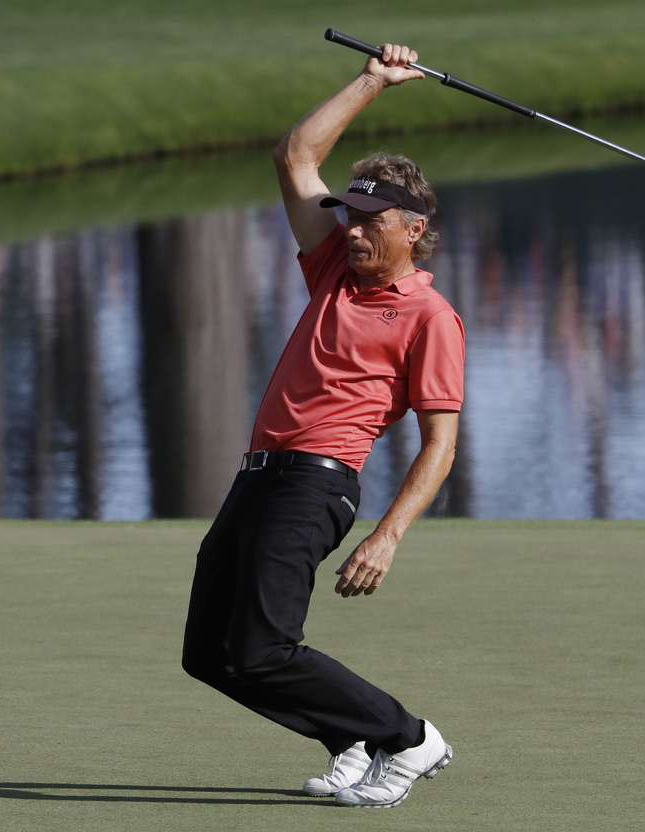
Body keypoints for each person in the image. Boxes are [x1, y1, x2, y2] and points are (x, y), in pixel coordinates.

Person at [181, 43, 464, 809]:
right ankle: (351, 741)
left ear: (413, 228)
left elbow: (440, 445)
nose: (356, 231)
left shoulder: (430, 317)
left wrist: (388, 536)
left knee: (263, 649)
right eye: (351, 216)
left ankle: (408, 737)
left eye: (373, 221)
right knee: (210, 654)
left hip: (316, 485)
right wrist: (373, 80)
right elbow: (295, 157)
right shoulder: (333, 264)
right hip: (257, 478)